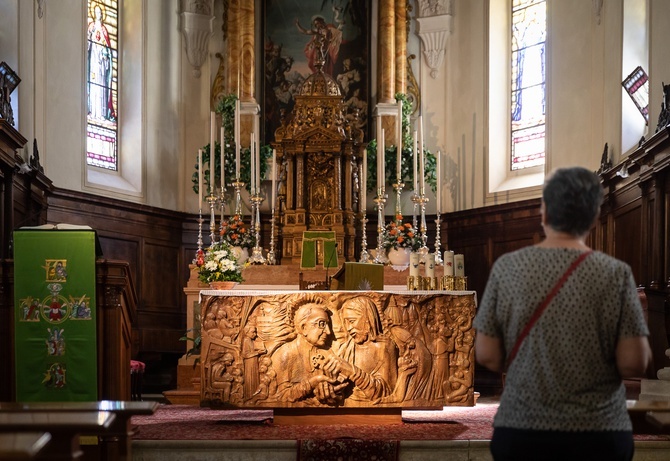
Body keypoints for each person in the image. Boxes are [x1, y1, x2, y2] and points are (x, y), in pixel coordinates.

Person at [473, 166, 651, 461]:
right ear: (594, 217)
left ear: (544, 213)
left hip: (523, 427)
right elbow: (634, 362)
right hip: (598, 431)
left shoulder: (508, 268)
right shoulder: (615, 274)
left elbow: (487, 354)